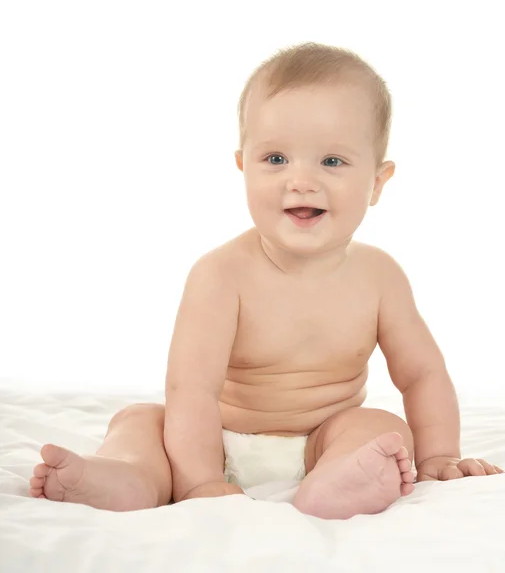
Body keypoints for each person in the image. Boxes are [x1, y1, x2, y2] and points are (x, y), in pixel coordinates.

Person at [29, 42, 503, 519]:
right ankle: (126, 477)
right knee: (140, 421)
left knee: (381, 425)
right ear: (243, 167)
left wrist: (440, 454)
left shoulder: (381, 276)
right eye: (276, 159)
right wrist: (200, 481)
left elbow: (422, 374)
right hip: (212, 442)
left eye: (332, 161)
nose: (300, 180)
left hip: (322, 441)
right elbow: (190, 390)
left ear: (378, 183)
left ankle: (339, 483)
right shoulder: (220, 274)